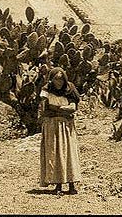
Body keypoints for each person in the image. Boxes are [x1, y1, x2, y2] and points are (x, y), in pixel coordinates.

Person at [38, 67, 82, 195]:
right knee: (54, 153)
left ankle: (71, 184)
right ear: (51, 79)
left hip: (65, 126)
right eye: (56, 79)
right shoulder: (46, 90)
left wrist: (57, 108)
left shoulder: (70, 89)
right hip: (52, 125)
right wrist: (63, 109)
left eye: (61, 79)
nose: (59, 82)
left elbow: (73, 107)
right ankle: (57, 184)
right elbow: (44, 108)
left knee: (68, 153)